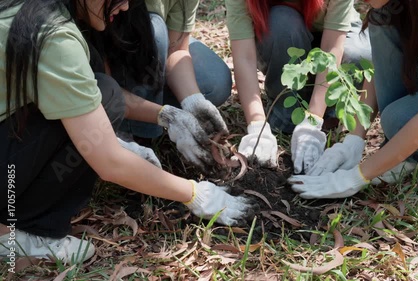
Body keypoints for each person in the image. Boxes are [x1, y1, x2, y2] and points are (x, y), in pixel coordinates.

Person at [0, 0, 254, 265]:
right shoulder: (56, 38)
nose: (126, 7)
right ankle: (19, 232)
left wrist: (166, 115)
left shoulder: (33, 11)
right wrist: (195, 194)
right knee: (105, 101)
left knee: (106, 95)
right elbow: (109, 161)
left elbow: (91, 89)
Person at [289, 0, 418, 199]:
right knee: (383, 18)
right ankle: (417, 150)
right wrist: (354, 139)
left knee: (399, 121)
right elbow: (383, 63)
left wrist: (356, 177)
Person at [225, 0, 375, 173]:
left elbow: (331, 48)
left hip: (336, 36)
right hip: (282, 33)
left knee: (360, 57)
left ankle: (327, 110)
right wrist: (256, 125)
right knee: (281, 23)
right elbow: (244, 56)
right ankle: (285, 113)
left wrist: (313, 121)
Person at [86, 0, 232, 168]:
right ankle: (127, 131)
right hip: (107, 61)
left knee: (213, 83)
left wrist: (193, 100)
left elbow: (176, 49)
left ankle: (147, 114)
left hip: (150, 55)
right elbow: (102, 79)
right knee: (153, 32)